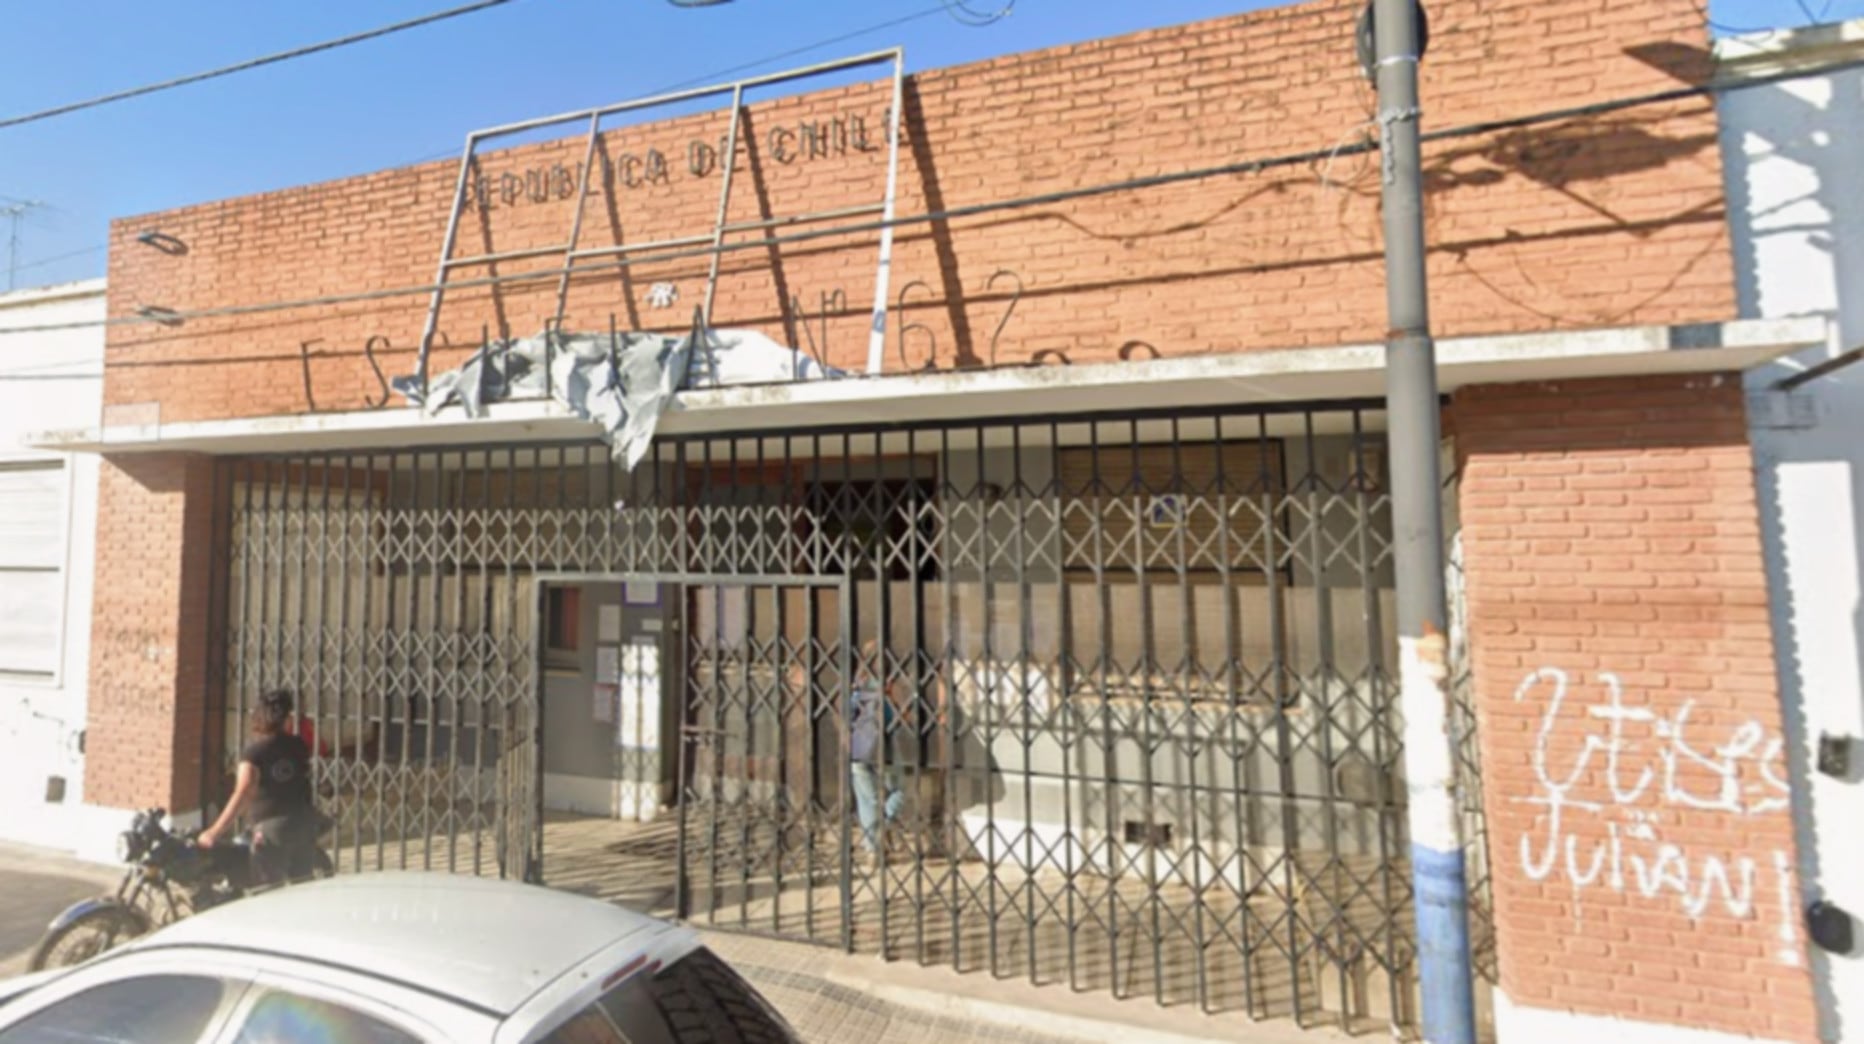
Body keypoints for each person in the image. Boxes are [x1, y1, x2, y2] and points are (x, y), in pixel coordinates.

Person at [197, 689, 322, 885]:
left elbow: (243, 791)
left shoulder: (254, 753)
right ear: (286, 719)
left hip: (272, 831)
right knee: (302, 886)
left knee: (267, 890)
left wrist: (215, 831)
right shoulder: (298, 745)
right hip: (303, 824)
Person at [849, 640, 906, 868]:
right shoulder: (890, 685)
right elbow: (902, 719)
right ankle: (884, 826)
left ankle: (873, 850)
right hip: (886, 749)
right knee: (899, 790)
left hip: (859, 750)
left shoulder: (856, 684)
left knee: (867, 801)